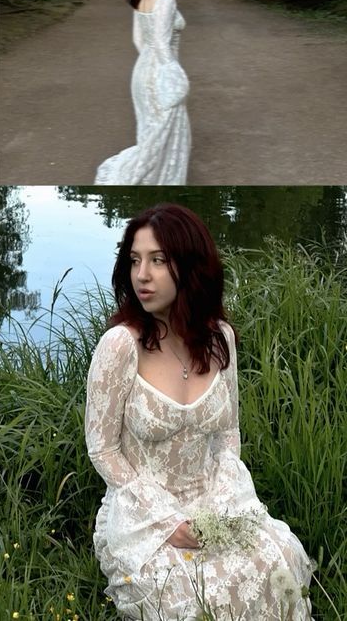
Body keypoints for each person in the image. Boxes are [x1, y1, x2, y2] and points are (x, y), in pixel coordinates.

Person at [86, 204, 314, 620]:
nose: (142, 275)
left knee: (280, 559)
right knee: (186, 599)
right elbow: (102, 450)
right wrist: (167, 521)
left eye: (158, 261)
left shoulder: (219, 339)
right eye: (135, 261)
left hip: (215, 500)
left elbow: (228, 435)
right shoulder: (121, 346)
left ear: (190, 266)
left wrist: (224, 506)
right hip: (143, 511)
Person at [94, 0, 190, 185]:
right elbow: (159, 43)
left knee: (152, 136)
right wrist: (174, 78)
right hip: (161, 74)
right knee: (171, 135)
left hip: (142, 73)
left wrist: (148, 69)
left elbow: (139, 40)